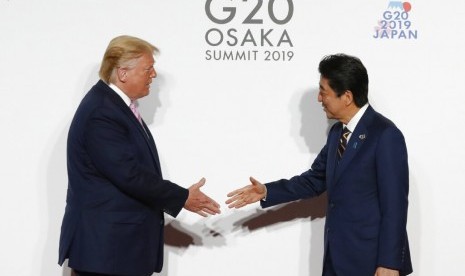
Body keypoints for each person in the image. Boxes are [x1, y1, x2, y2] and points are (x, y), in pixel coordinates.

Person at [226, 54, 412, 276]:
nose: (319, 98)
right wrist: (267, 191)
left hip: (371, 261)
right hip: (336, 257)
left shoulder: (385, 135)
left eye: (324, 92)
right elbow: (314, 180)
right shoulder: (337, 133)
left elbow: (395, 206)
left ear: (347, 96)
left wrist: (389, 263)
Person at [58, 35, 221, 276]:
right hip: (106, 255)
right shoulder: (102, 112)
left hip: (117, 253)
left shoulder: (114, 106)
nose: (153, 75)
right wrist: (182, 197)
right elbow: (129, 174)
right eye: (148, 68)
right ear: (123, 73)